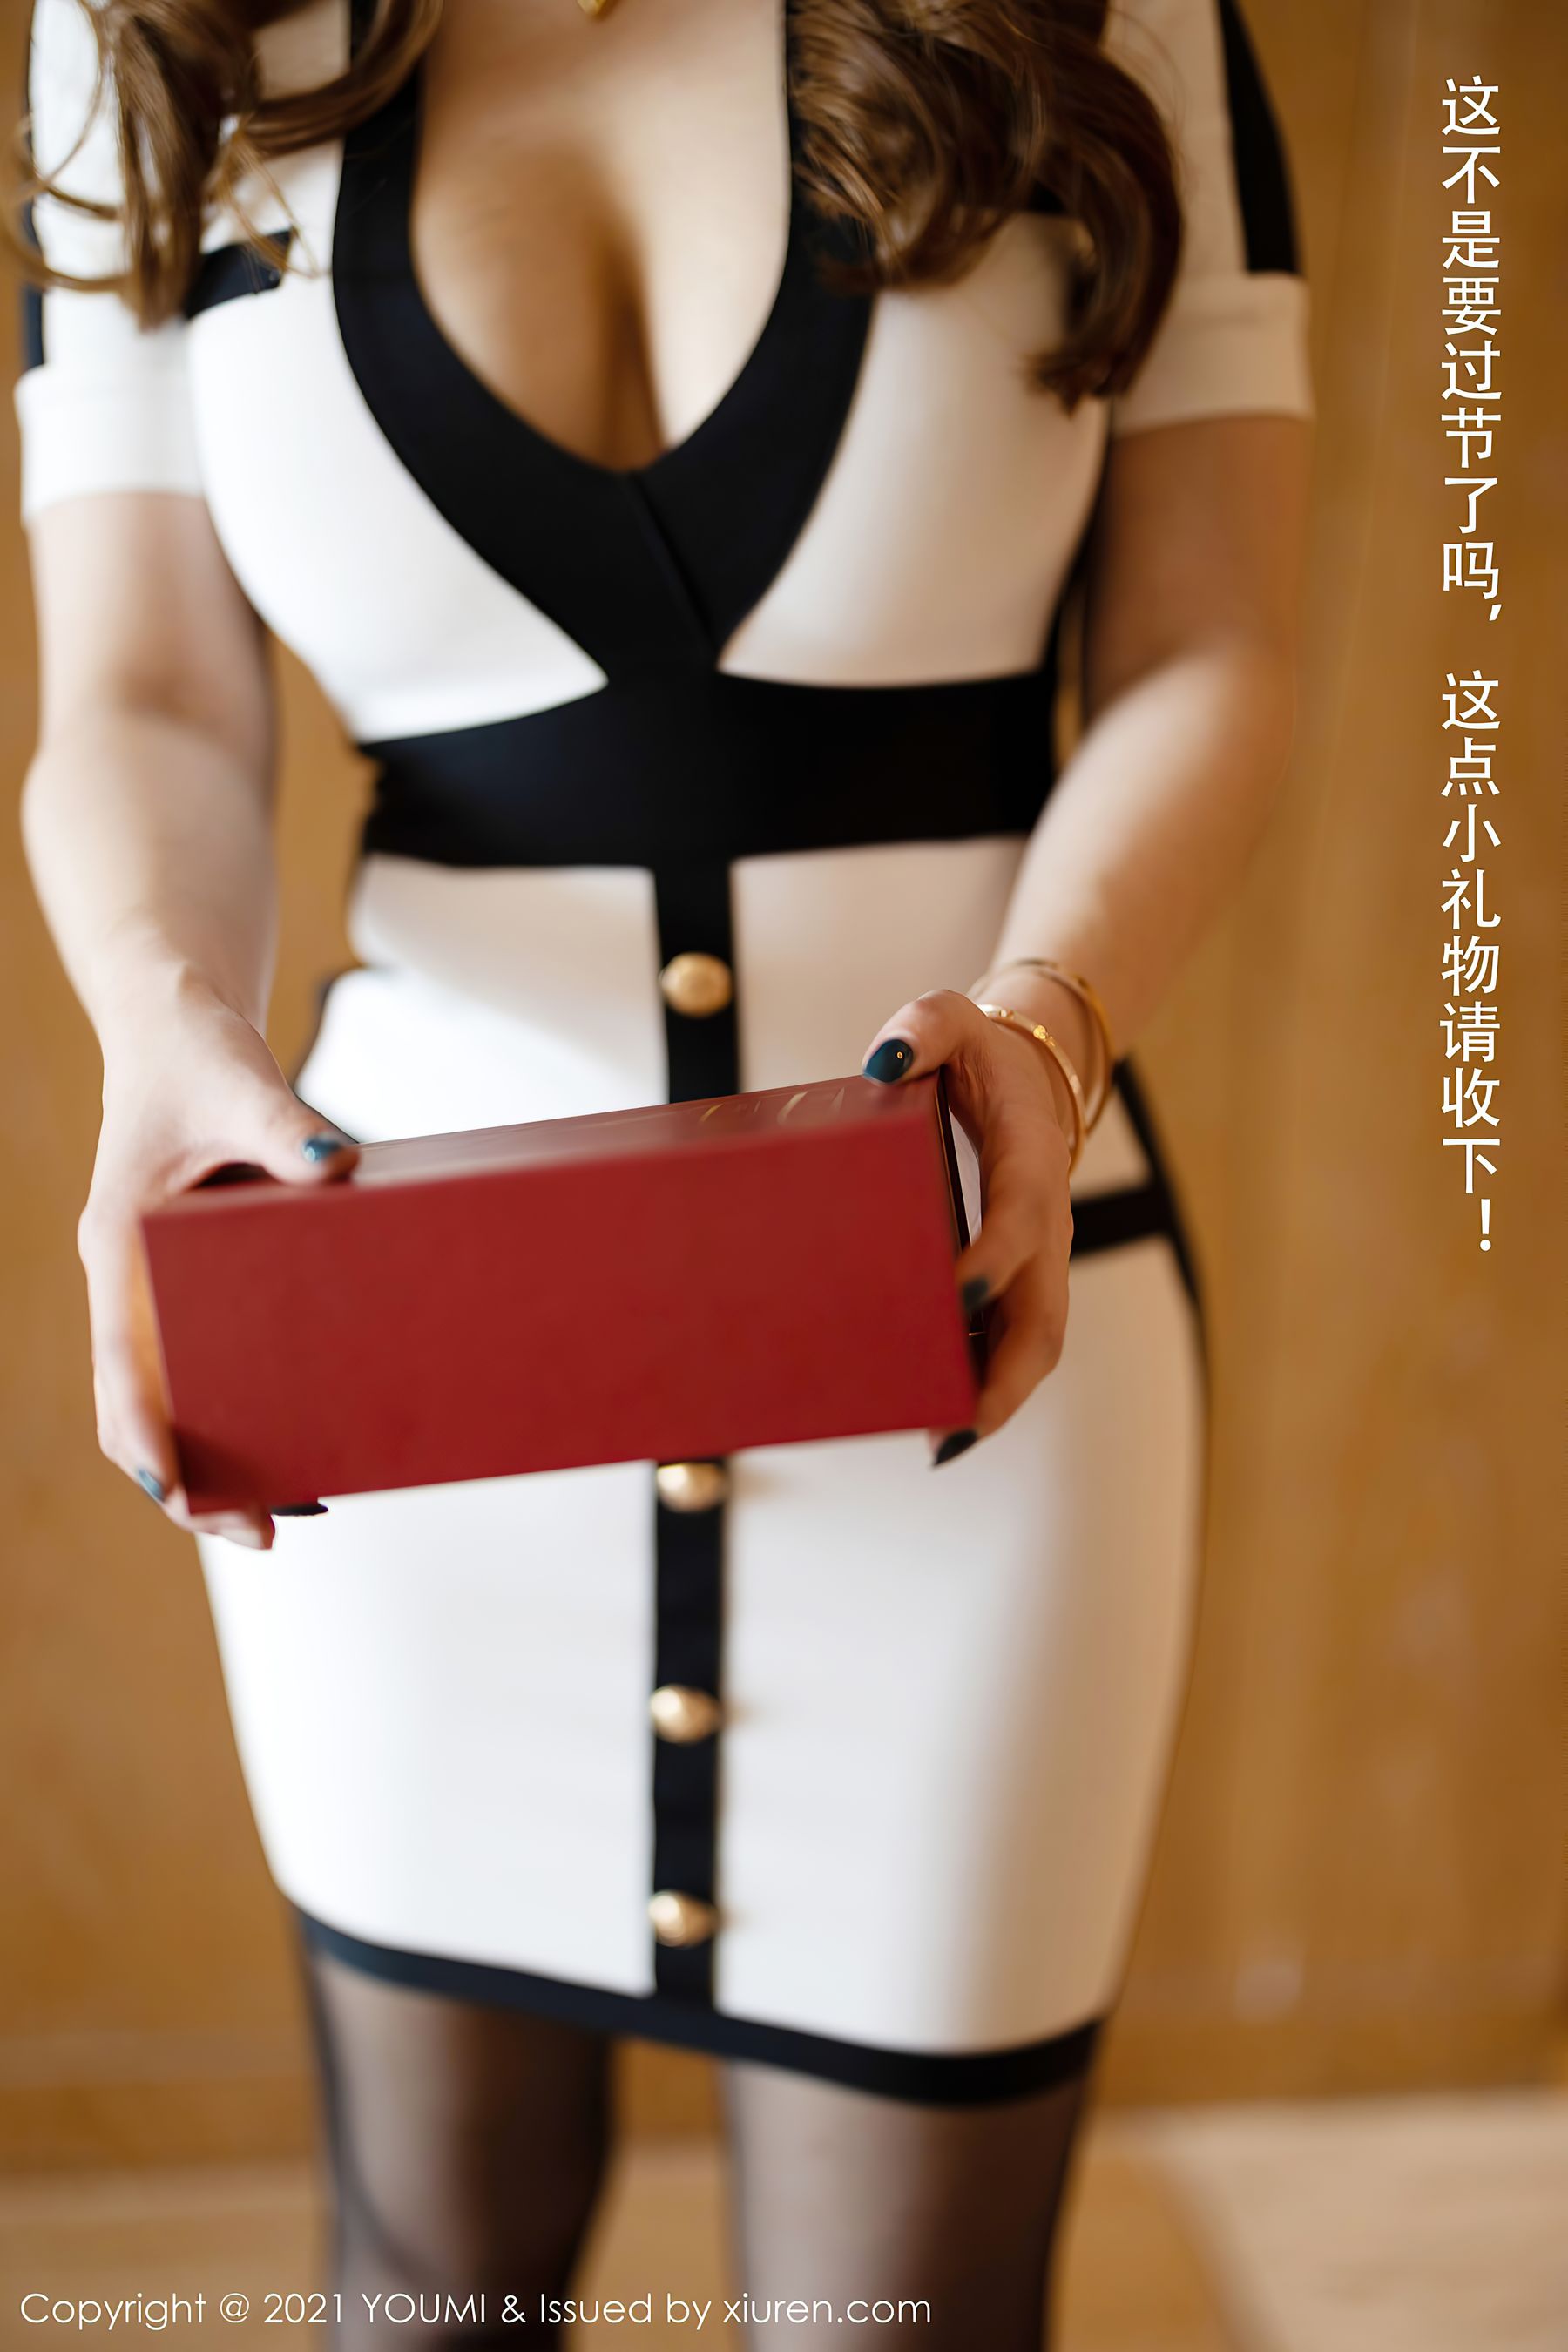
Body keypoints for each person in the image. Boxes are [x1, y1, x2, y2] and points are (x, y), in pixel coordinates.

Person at [15, 0, 1310, 2341]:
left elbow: (1209, 641)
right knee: (431, 2282)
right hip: (402, 1379)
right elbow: (143, 690)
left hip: (979, 1328)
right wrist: (156, 1020)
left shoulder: (1117, 18)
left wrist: (1052, 1014)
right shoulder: (142, 32)